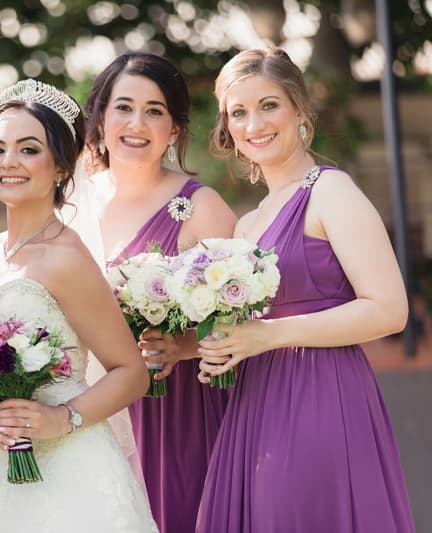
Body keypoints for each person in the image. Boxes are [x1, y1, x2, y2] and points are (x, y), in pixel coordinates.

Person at [195, 47, 415, 532]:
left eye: (269, 105)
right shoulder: (247, 224)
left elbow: (389, 310)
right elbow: (247, 330)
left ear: (300, 110)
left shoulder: (331, 192)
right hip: (254, 406)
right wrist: (212, 347)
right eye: (239, 112)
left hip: (322, 396)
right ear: (227, 127)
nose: (254, 123)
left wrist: (269, 335)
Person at [0, 80, 157, 533]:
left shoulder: (66, 258)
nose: (8, 163)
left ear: (60, 166)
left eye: (28, 149)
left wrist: (62, 418)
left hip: (71, 469)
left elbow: (131, 371)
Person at [67, 52, 237, 532]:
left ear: (175, 130)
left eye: (154, 110)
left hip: (176, 413)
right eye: (123, 107)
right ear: (100, 118)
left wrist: (179, 347)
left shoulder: (200, 207)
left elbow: (242, 318)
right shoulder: (71, 203)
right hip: (88, 405)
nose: (135, 123)